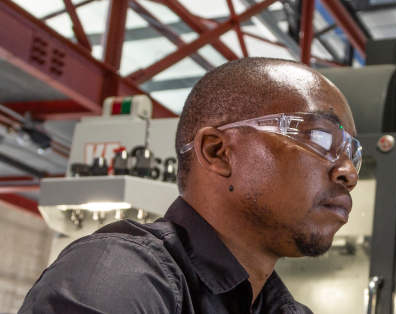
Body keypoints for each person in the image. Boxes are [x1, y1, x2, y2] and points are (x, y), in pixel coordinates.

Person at [19, 57, 361, 314]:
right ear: (218, 152)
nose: (348, 172)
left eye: (353, 154)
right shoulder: (118, 275)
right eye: (319, 137)